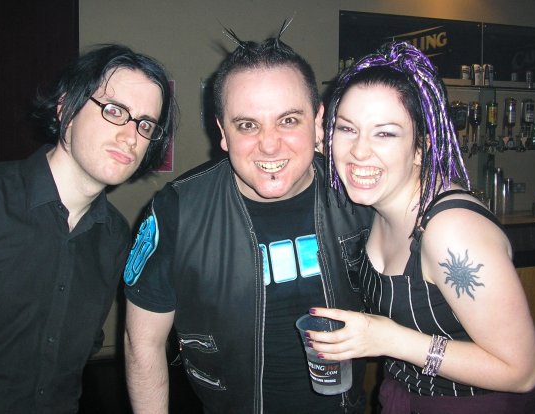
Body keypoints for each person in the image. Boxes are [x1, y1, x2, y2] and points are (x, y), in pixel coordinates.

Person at [123, 27, 371, 414]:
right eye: (247, 125)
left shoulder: (359, 197)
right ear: (223, 132)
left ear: (318, 121)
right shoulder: (178, 210)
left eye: (288, 120)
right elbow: (143, 344)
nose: (269, 145)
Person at [307, 41, 535, 413]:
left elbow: (521, 372)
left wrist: (389, 340)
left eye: (385, 133)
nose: (359, 151)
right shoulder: (379, 200)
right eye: (347, 129)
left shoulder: (451, 232)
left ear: (421, 147)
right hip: (402, 397)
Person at [0, 44, 177, 413]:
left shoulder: (115, 237)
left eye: (145, 124)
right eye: (114, 111)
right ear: (66, 109)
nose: (131, 137)